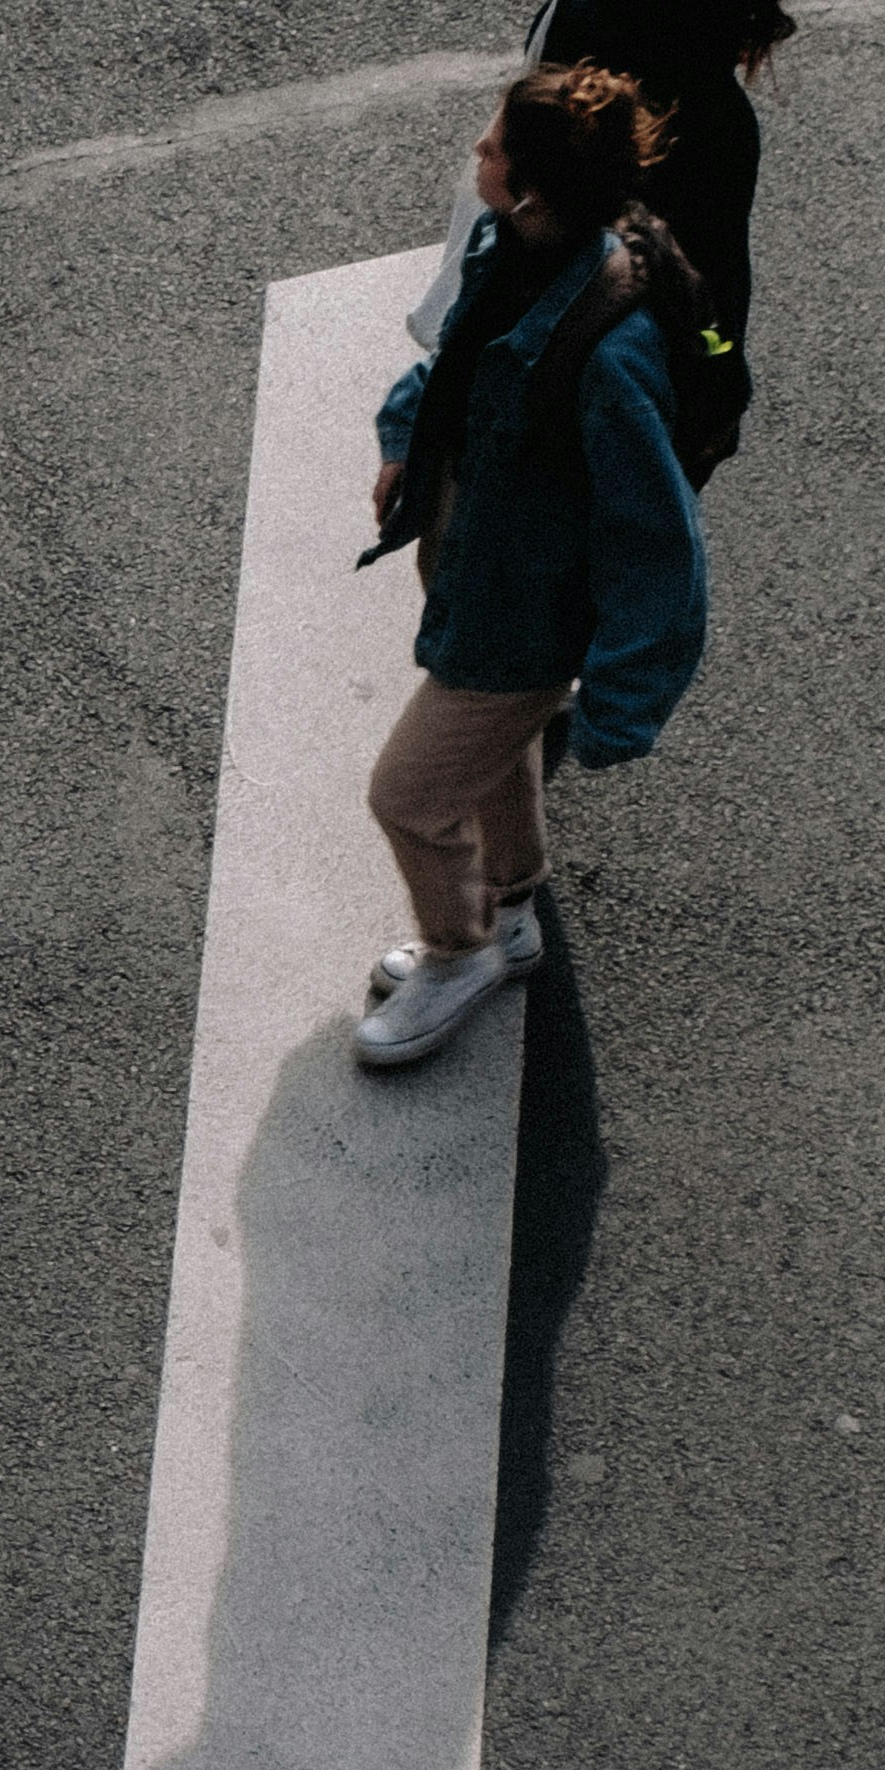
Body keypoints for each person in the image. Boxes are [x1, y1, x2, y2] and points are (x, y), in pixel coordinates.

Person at [353, 58, 710, 1071]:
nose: (478, 152)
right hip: (469, 557)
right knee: (495, 759)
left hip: (521, 613)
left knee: (407, 797)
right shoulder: (505, 241)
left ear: (539, 178)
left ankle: (459, 950)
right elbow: (450, 368)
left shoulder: (610, 353)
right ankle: (506, 909)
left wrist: (621, 703)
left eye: (497, 145)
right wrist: (400, 439)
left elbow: (657, 540)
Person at [527, 0, 794, 462]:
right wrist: (723, 387)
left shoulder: (578, 1)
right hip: (629, 376)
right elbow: (714, 282)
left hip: (534, 317)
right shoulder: (714, 121)